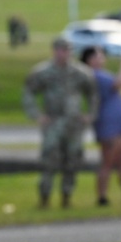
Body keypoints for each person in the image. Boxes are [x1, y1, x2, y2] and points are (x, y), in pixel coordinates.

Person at [22, 37, 97, 209]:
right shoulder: (43, 72)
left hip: (73, 122)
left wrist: (90, 114)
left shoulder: (80, 73)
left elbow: (92, 93)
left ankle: (67, 196)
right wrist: (37, 115)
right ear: (54, 51)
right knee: (49, 161)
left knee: (73, 160)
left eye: (66, 50)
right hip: (53, 122)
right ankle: (44, 197)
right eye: (59, 50)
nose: (62, 54)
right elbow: (29, 92)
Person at [81, 46, 121, 206]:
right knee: (108, 161)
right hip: (110, 126)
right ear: (88, 60)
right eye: (96, 56)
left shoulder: (100, 75)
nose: (101, 59)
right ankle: (102, 196)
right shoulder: (95, 75)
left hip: (119, 125)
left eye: (101, 56)